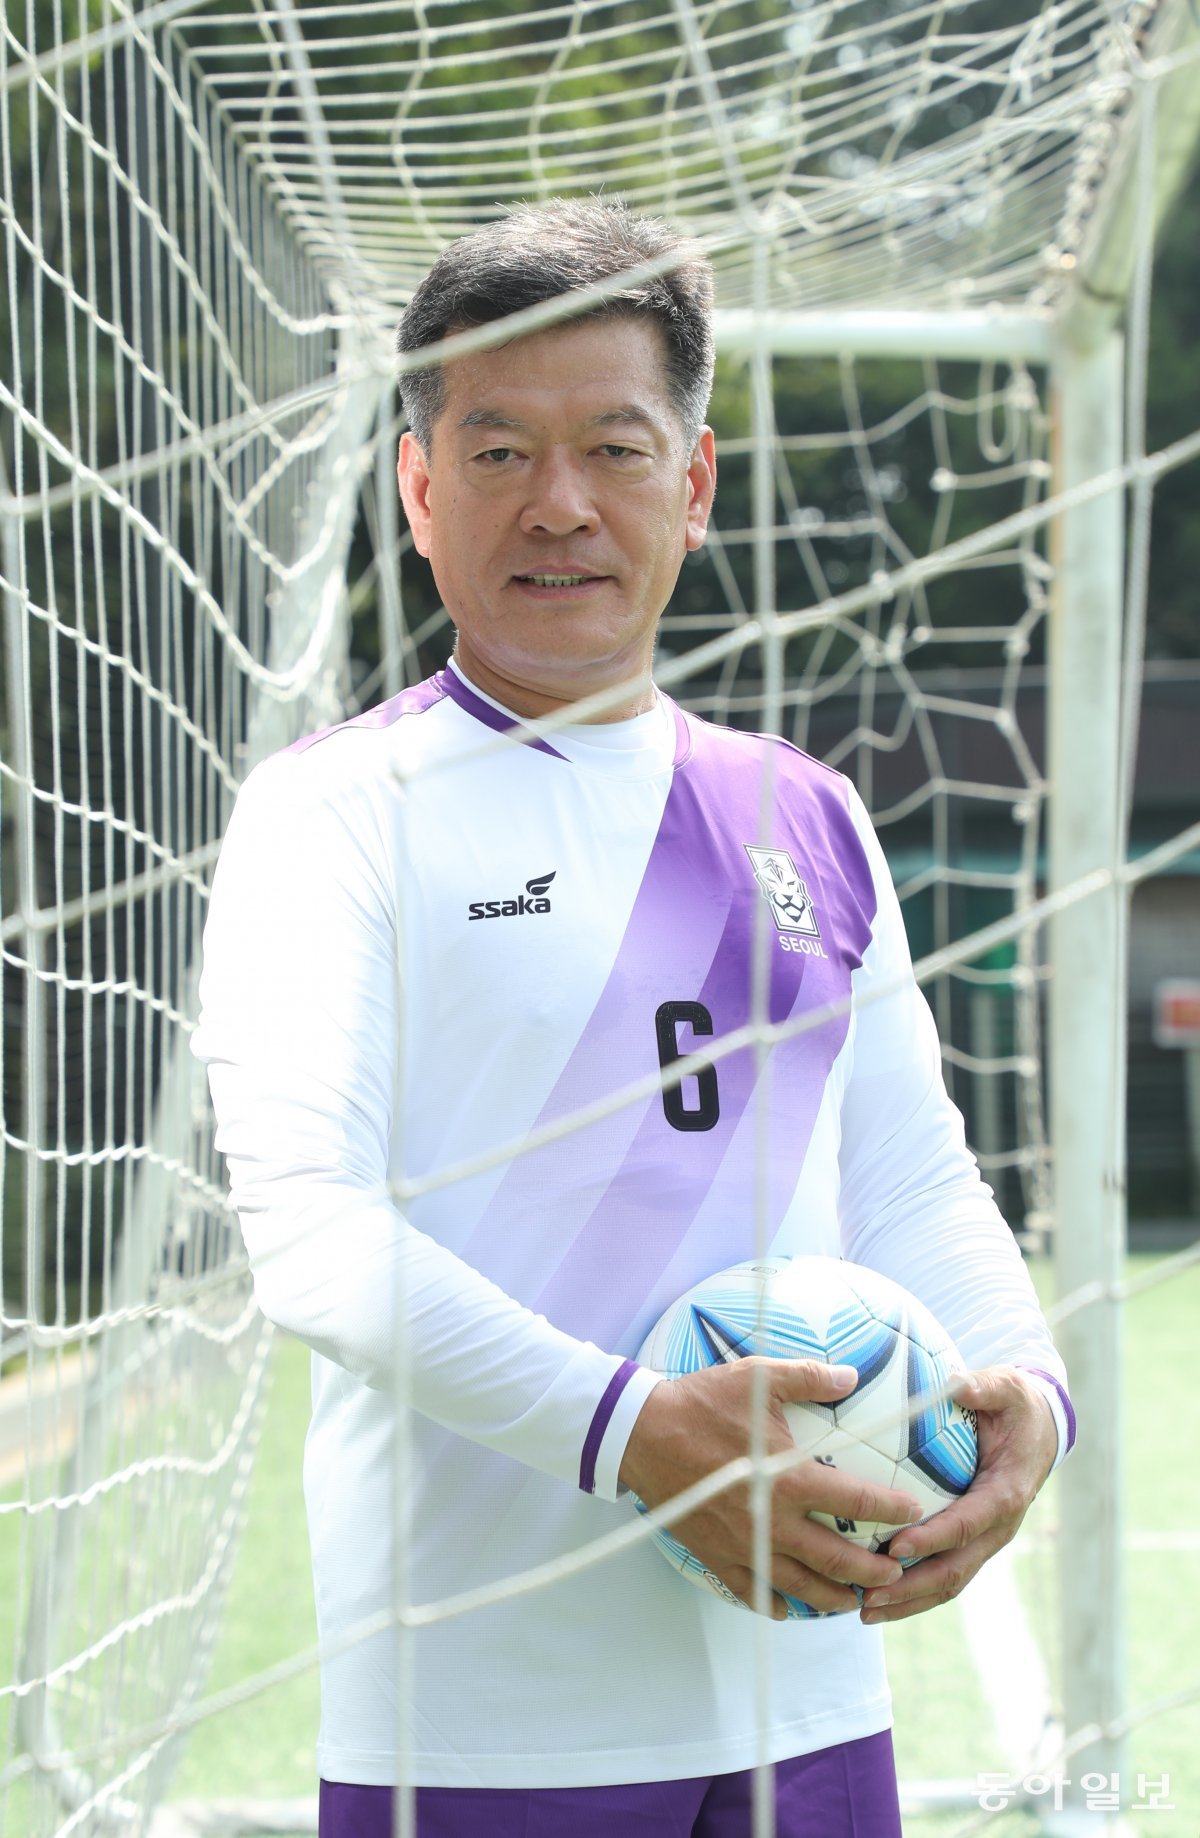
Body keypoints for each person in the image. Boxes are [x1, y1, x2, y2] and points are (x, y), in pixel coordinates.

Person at [192, 198, 1074, 1838]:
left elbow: (911, 1184)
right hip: (476, 1743)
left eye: (612, 444)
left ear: (695, 481)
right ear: (417, 485)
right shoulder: (335, 812)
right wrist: (637, 1431)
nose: (560, 504)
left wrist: (1030, 1387)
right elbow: (309, 1231)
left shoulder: (807, 816)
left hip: (811, 1707)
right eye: (499, 449)